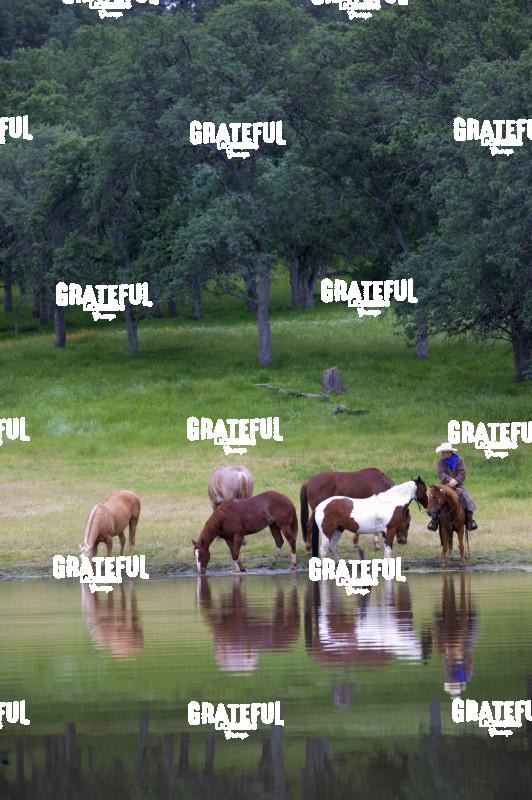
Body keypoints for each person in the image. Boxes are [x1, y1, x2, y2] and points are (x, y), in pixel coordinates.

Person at [428, 443, 478, 531]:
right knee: (435, 500)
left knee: (467, 499)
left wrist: (456, 481)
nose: (444, 454)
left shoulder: (459, 460)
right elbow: (441, 474)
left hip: (459, 485)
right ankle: (434, 522)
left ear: (450, 452)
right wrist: (449, 479)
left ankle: (470, 521)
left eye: (446, 452)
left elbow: (462, 473)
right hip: (444, 485)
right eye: (443, 453)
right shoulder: (440, 462)